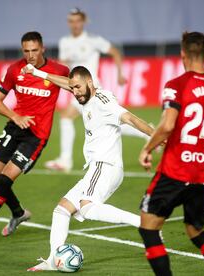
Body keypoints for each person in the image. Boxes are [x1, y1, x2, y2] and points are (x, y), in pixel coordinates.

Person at [22, 65, 154, 271]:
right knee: (62, 209)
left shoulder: (104, 103)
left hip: (105, 165)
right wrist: (37, 73)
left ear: (90, 83)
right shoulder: (85, 92)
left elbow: (130, 119)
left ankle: (144, 224)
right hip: (97, 167)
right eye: (72, 88)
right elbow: (67, 83)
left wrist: (155, 137)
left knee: (87, 207)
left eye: (77, 88)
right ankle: (52, 260)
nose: (74, 93)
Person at [138, 32, 204, 276]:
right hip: (200, 176)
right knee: (195, 231)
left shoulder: (176, 85)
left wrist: (147, 148)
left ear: (182, 54)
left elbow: (167, 125)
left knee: (148, 228)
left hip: (174, 172)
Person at [0, 32, 69, 243]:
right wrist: (15, 116)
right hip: (15, 127)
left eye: (34, 50)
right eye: (26, 51)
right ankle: (18, 212)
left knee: (6, 178)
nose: (31, 55)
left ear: (43, 49)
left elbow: (73, 86)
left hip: (36, 135)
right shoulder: (14, 70)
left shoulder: (58, 70)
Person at [45, 8, 149, 172]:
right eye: (71, 21)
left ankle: (65, 161)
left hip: (92, 89)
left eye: (78, 21)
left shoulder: (93, 40)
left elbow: (114, 52)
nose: (75, 24)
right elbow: (64, 65)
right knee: (103, 121)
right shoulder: (64, 42)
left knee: (77, 118)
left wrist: (120, 73)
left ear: (83, 22)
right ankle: (145, 131)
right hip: (77, 89)